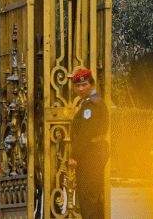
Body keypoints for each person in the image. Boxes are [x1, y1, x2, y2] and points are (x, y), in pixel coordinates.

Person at [67, 68, 109, 219]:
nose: (80, 88)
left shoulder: (92, 105)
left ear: (91, 84)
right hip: (93, 153)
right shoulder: (91, 102)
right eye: (77, 86)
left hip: (90, 154)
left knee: (89, 198)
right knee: (93, 198)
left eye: (84, 85)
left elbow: (85, 134)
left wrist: (74, 156)